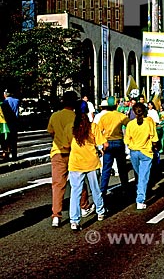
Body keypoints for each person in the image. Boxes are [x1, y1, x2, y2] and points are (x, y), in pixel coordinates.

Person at [47, 91, 93, 228]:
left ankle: (56, 215)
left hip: (57, 152)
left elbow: (51, 131)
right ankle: (84, 207)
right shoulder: (76, 117)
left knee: (57, 185)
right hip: (74, 153)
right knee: (79, 181)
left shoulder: (55, 116)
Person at [65, 100, 107, 230]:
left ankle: (74, 220)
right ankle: (100, 212)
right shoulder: (93, 127)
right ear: (88, 112)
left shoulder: (69, 127)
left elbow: (65, 145)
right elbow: (105, 144)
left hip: (75, 163)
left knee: (75, 192)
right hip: (91, 162)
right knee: (95, 189)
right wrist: (101, 151)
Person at [124, 102, 159, 210]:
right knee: (143, 177)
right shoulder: (149, 122)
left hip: (134, 152)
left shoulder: (130, 124)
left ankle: (140, 191)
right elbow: (154, 138)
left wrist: (131, 146)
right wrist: (155, 147)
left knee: (139, 175)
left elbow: (126, 140)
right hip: (146, 152)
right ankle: (140, 199)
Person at [96, 96, 131, 196]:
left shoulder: (104, 117)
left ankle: (103, 190)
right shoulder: (120, 115)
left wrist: (102, 143)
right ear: (116, 105)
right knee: (122, 168)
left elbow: (98, 131)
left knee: (106, 169)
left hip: (108, 143)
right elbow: (130, 124)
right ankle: (125, 188)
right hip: (119, 142)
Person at [1, 89, 19, 160]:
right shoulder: (17, 101)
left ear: (5, 95)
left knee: (6, 139)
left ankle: (6, 154)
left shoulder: (4, 102)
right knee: (14, 139)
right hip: (15, 122)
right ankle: (14, 155)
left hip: (6, 123)